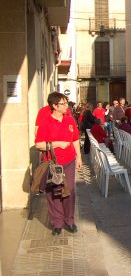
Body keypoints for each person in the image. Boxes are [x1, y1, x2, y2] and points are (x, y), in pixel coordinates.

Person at [35, 92, 82, 235]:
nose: (66, 106)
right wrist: (57, 144)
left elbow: (75, 139)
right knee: (54, 192)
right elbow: (38, 145)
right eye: (63, 103)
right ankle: (57, 223)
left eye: (66, 103)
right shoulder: (46, 122)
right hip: (53, 164)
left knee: (69, 191)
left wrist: (79, 157)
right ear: (54, 106)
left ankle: (69, 220)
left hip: (69, 161)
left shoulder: (70, 120)